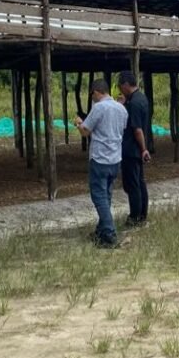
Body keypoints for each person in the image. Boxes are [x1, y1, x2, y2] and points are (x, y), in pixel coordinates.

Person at [74, 79, 128, 248]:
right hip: (115, 158)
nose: (92, 98)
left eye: (92, 94)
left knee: (99, 197)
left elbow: (85, 131)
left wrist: (78, 123)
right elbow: (122, 129)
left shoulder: (99, 108)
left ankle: (110, 234)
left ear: (96, 92)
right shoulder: (121, 108)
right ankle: (101, 231)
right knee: (107, 196)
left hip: (100, 158)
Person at [117, 71, 152, 227]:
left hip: (132, 149)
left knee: (132, 185)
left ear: (125, 85)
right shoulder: (142, 98)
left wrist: (143, 149)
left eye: (120, 86)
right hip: (137, 149)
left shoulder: (134, 103)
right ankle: (143, 214)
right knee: (140, 182)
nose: (120, 90)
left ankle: (135, 217)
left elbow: (137, 129)